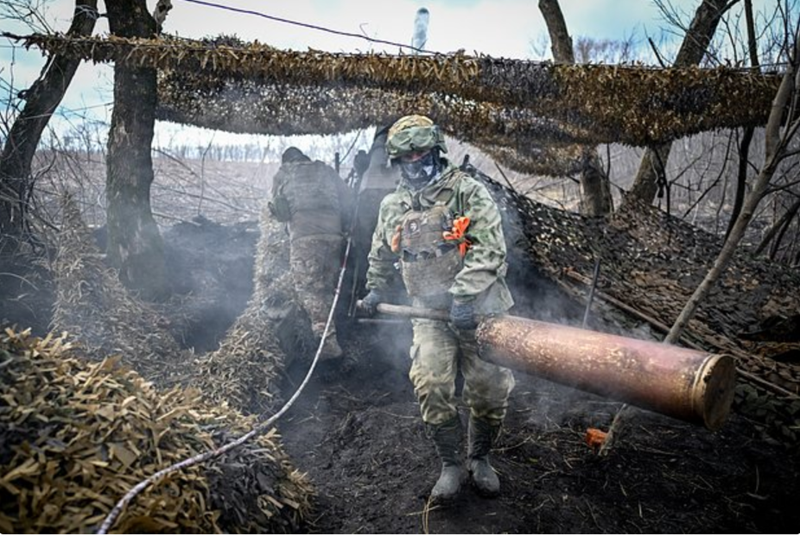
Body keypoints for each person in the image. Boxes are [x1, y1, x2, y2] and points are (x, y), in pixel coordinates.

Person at [359, 115, 515, 502]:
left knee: (489, 389)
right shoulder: (393, 205)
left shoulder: (467, 192)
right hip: (428, 311)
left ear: (437, 151)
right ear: (395, 161)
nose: (415, 161)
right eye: (406, 156)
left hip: (481, 308)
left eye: (421, 152)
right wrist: (375, 289)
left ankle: (479, 458)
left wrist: (463, 296)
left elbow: (491, 249)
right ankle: (451, 464)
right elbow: (380, 250)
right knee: (430, 382)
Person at [269, 147, 352, 361]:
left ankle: (328, 343)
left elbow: (280, 211)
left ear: (287, 161)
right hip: (334, 236)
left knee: (308, 288)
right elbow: (347, 199)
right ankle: (334, 330)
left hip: (304, 237)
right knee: (325, 286)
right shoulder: (325, 170)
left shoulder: (284, 173)